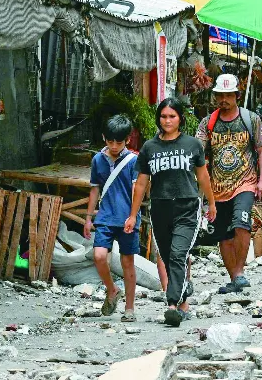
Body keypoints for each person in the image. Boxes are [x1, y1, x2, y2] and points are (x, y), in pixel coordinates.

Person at [126, 98, 216, 328]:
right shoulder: (149, 147)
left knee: (178, 254)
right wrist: (133, 214)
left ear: (180, 119)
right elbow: (141, 184)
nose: (167, 120)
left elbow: (203, 177)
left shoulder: (192, 145)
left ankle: (172, 304)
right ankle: (183, 291)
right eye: (163, 116)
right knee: (167, 257)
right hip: (160, 207)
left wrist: (211, 204)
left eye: (172, 116)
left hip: (187, 207)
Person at [195, 73, 262, 295]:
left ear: (237, 95)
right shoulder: (207, 123)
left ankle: (239, 273)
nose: (224, 99)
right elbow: (197, 153)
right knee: (223, 235)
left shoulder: (251, 119)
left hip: (245, 182)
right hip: (217, 188)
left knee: (241, 223)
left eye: (228, 95)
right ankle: (234, 278)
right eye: (220, 95)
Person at [84, 114, 140, 321]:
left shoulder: (134, 161)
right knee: (99, 256)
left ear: (127, 140)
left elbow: (137, 190)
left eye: (119, 141)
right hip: (105, 217)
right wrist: (89, 218)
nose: (114, 146)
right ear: (104, 138)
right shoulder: (97, 160)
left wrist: (133, 216)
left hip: (127, 218)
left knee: (128, 263)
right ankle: (112, 289)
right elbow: (94, 190)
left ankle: (130, 308)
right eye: (110, 141)